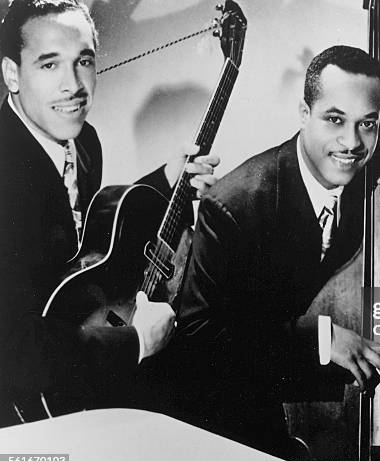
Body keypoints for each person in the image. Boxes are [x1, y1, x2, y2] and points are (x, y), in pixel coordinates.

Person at [139, 45, 380, 457]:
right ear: (304, 114)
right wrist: (321, 340)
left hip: (344, 415)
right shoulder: (234, 204)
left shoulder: (377, 184)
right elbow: (200, 338)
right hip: (247, 424)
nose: (352, 143)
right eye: (335, 119)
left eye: (368, 124)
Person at [0, 0, 218, 427]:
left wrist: (165, 182)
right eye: (49, 65)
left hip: (65, 373)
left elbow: (85, 243)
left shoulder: (83, 142)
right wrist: (133, 342)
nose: (73, 85)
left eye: (83, 61)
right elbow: (10, 344)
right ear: (12, 75)